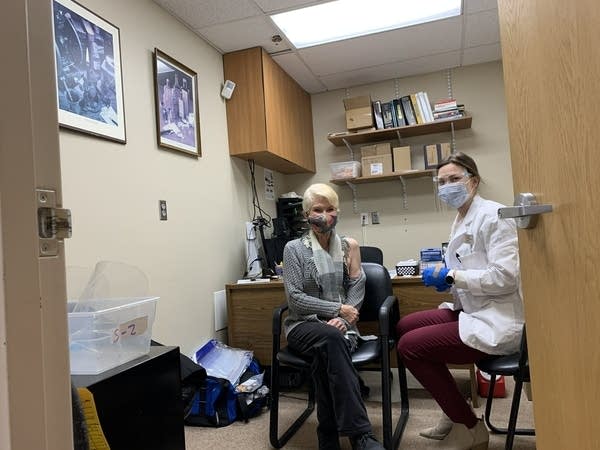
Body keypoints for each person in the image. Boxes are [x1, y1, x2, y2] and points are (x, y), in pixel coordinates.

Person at [396, 152, 524, 450]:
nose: (447, 186)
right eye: (441, 182)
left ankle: (468, 427)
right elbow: (470, 271)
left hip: (499, 319)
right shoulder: (462, 218)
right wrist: (450, 285)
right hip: (475, 308)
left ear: (474, 181)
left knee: (410, 348)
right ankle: (452, 411)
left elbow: (505, 277)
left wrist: (453, 276)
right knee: (405, 325)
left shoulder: (494, 215)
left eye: (454, 179)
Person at [282, 183, 384, 450]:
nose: (324, 215)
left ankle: (327, 435)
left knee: (326, 351)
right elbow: (294, 299)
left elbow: (356, 288)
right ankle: (361, 435)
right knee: (330, 338)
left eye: (330, 209)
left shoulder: (349, 246)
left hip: (341, 328)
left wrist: (346, 319)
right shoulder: (294, 249)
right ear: (306, 214)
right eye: (317, 209)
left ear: (337, 212)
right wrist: (336, 311)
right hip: (302, 325)